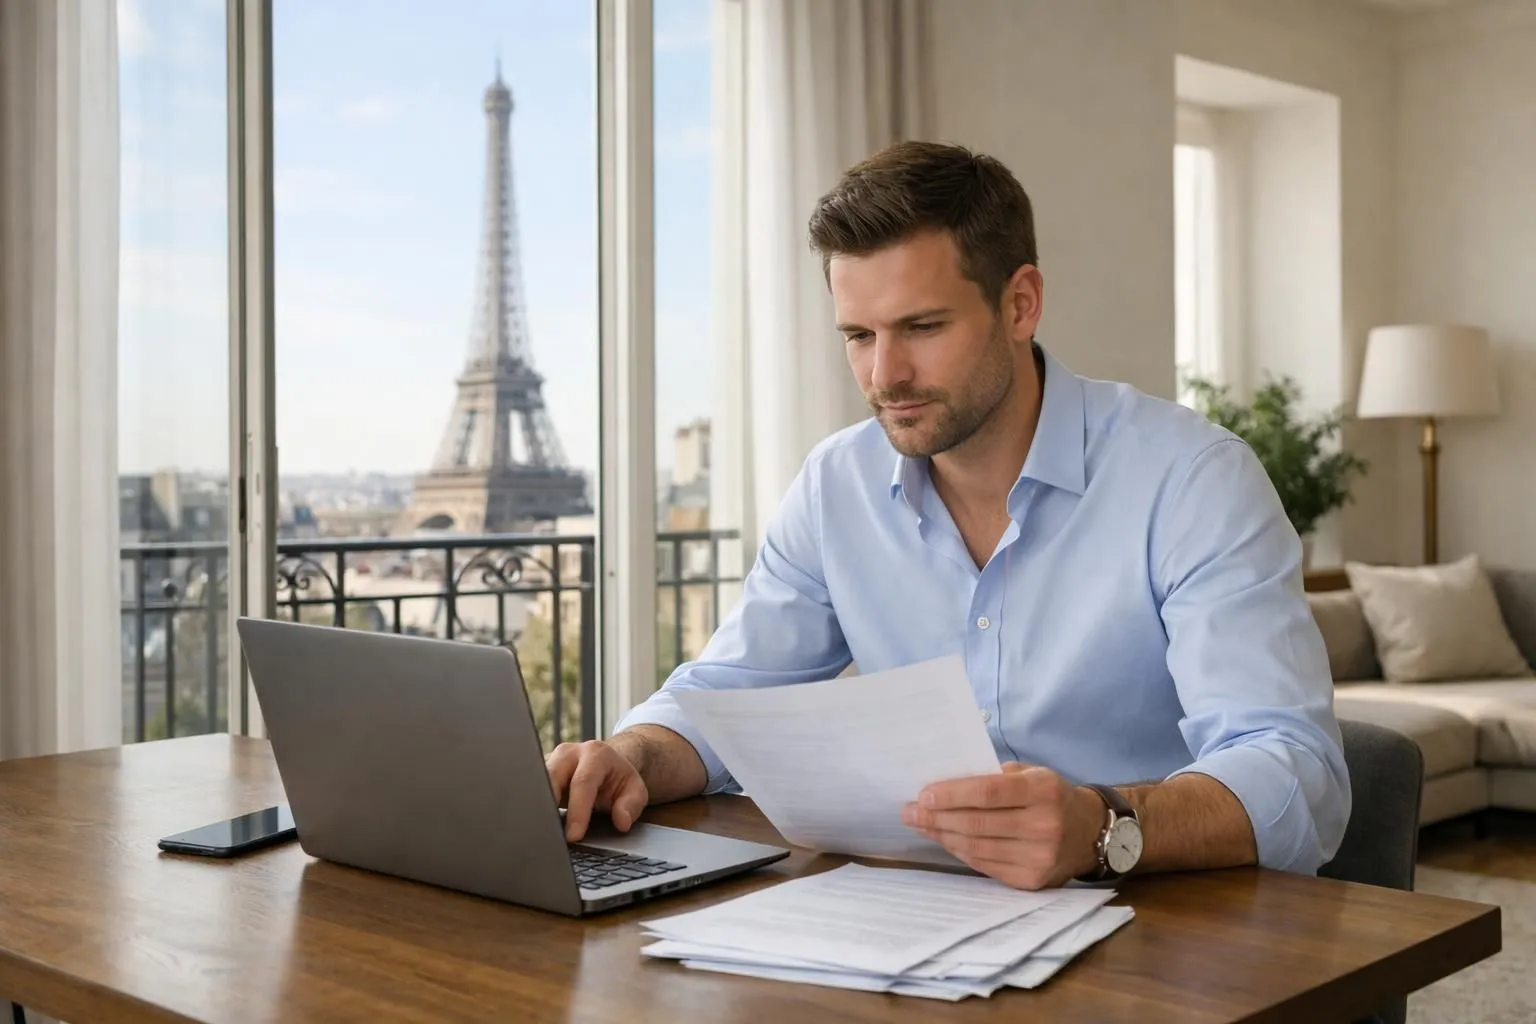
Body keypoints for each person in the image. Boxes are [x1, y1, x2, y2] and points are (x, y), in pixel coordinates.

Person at [546, 140, 1350, 890]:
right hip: (912, 919)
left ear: (1021, 305)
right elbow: (728, 697)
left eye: (921, 328)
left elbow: (1294, 773)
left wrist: (1102, 825)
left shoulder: (1192, 480)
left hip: (1159, 918)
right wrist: (632, 757)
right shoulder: (835, 486)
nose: (884, 374)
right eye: (858, 335)